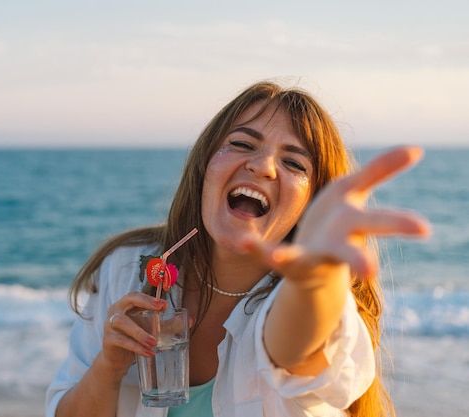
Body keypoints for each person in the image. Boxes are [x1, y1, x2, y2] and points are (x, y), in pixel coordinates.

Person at [46, 80, 430, 417]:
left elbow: (295, 346)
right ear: (205, 165)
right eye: (242, 143)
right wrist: (109, 366)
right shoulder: (127, 267)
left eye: (294, 163)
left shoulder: (303, 300)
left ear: (310, 206)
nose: (263, 165)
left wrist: (316, 279)